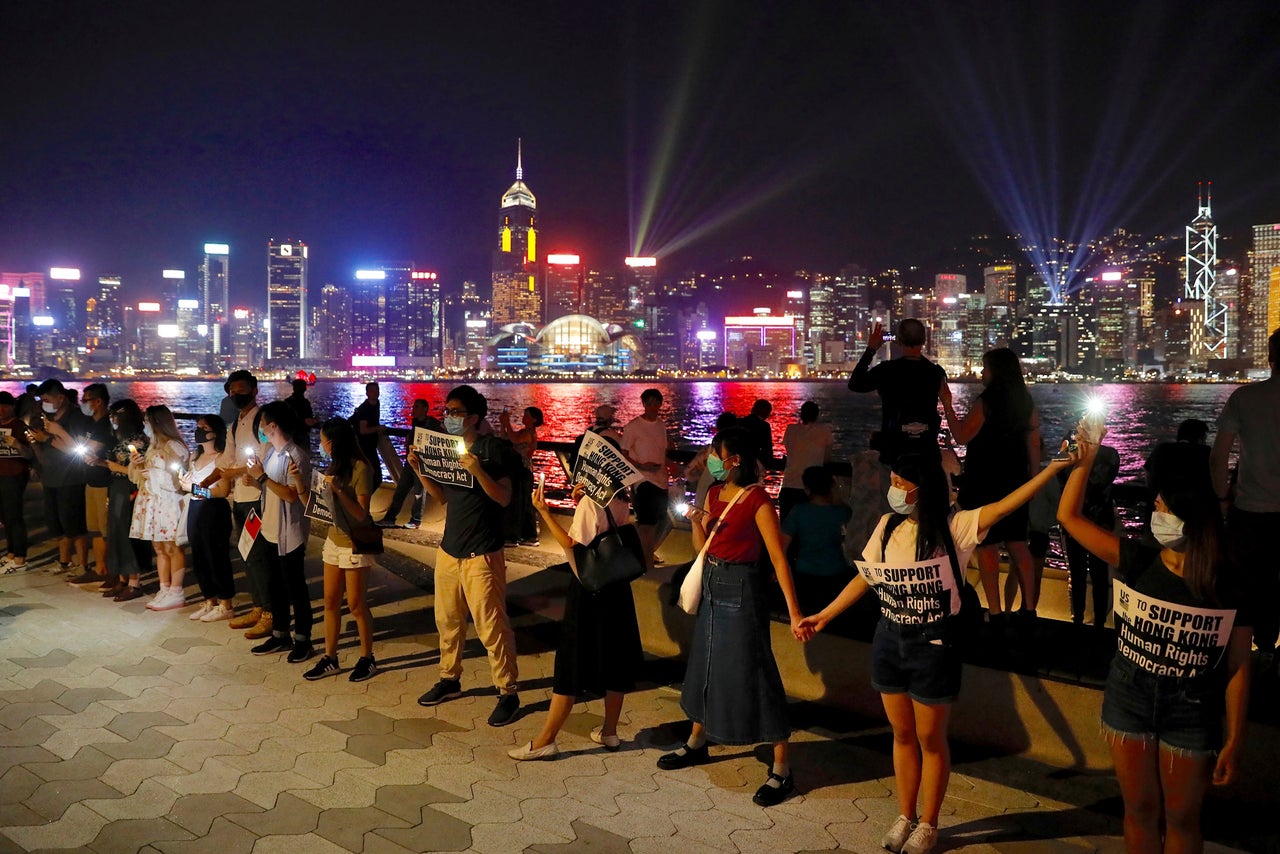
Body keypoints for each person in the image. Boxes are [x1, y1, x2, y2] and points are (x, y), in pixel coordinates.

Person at [799, 452, 1070, 854]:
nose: (893, 489)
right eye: (892, 480)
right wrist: (824, 615)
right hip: (890, 637)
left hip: (933, 644)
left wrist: (1051, 469)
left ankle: (929, 822)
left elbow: (1006, 506)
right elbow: (865, 577)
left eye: (900, 483)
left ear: (922, 490)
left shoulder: (956, 527)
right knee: (902, 733)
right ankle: (905, 814)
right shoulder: (888, 525)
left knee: (930, 737)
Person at [1061, 425, 1252, 854]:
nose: (1155, 515)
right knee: (1140, 811)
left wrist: (1235, 739)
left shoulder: (1227, 580)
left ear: (1189, 515)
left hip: (1193, 708)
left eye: (1163, 507)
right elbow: (1068, 518)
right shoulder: (1137, 558)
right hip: (1129, 696)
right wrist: (1086, 457)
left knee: (1183, 818)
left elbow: (1239, 666)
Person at [656, 428, 808, 808]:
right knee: (705, 665)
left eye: (715, 453)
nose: (710, 458)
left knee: (754, 670)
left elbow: (777, 558)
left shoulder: (757, 501)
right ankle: (697, 741)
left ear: (734, 459)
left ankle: (782, 768)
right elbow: (701, 546)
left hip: (742, 589)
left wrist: (793, 611)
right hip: (711, 581)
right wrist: (694, 519)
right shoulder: (713, 493)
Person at [409, 385, 522, 726]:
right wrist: (420, 470)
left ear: (473, 417)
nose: (448, 417)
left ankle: (508, 691)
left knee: (491, 626)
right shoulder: (447, 450)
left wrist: (478, 470)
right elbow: (442, 497)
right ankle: (449, 679)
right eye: (447, 411)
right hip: (449, 549)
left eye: (456, 412)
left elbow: (503, 497)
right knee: (447, 620)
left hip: (482, 552)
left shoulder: (492, 450)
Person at [508, 480, 644, 760]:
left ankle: (546, 739)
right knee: (614, 658)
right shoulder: (621, 499)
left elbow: (572, 543)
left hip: (588, 590)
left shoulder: (590, 504)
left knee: (570, 662)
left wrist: (544, 512)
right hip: (616, 589)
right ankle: (609, 731)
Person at [942, 348, 1041, 620]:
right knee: (1018, 543)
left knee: (987, 546)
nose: (982, 373)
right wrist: (1033, 478)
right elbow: (1033, 442)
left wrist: (947, 405)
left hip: (984, 479)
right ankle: (1030, 609)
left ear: (996, 370)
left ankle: (995, 612)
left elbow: (962, 436)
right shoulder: (1026, 401)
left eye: (985, 368)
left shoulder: (987, 401)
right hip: (1016, 480)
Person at [1211, 328, 1280, 669]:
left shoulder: (1245, 398)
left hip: (1251, 510)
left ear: (1271, 359)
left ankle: (1259, 649)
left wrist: (1222, 495)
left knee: (1251, 584)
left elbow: (1219, 455)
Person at [296, 418, 379, 682]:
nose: (321, 445)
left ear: (334, 442)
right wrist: (300, 483)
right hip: (333, 541)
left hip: (354, 544)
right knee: (330, 601)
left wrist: (340, 491)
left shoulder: (360, 468)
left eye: (322, 441)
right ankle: (330, 657)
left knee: (356, 604)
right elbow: (319, 508)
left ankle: (368, 657)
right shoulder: (334, 466)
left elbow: (362, 514)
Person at [243, 402, 313, 662]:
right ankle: (281, 634)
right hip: (269, 529)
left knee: (295, 588)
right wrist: (255, 480)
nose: (260, 429)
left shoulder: (296, 456)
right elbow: (271, 490)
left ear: (272, 426)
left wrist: (261, 478)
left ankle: (304, 640)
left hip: (290, 534)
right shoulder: (272, 453)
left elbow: (292, 496)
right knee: (275, 587)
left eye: (262, 425)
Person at [848, 319, 947, 468]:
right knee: (927, 491)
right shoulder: (936, 373)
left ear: (899, 341)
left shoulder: (887, 370)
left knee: (897, 491)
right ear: (924, 340)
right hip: (928, 456)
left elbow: (855, 384)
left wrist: (871, 349)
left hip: (895, 456)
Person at [223, 370, 273, 638]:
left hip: (257, 498)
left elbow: (265, 454)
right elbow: (227, 459)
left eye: (241, 389)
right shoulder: (235, 424)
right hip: (240, 500)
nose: (235, 394)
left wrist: (235, 471)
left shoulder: (261, 421)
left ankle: (270, 612)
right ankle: (257, 605)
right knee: (247, 554)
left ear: (255, 390)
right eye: (232, 390)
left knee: (259, 556)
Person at [129, 405, 190, 611]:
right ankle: (164, 588)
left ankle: (176, 590)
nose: (144, 425)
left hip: (169, 501)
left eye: (147, 421)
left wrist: (153, 474)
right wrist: (136, 465)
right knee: (159, 548)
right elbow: (142, 476)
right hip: (154, 501)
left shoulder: (175, 446)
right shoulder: (153, 447)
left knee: (173, 547)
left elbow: (178, 479)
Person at [29, 379, 91, 574]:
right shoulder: (48, 419)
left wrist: (49, 437)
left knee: (75, 523)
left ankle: (83, 564)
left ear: (61, 397)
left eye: (46, 399)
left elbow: (77, 450)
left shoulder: (76, 417)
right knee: (56, 524)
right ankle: (64, 561)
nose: (43, 403)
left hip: (71, 478)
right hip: (51, 477)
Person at [180, 416, 237, 622]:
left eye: (204, 427)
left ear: (215, 432)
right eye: (198, 427)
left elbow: (222, 491)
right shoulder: (195, 456)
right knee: (199, 557)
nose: (199, 431)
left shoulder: (221, 458)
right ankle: (209, 600)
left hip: (214, 510)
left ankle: (225, 604)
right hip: (195, 507)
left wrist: (194, 489)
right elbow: (188, 484)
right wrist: (184, 483)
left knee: (216, 556)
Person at [780, 466, 853, 619]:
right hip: (836, 571)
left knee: (808, 616)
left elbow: (783, 545)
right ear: (831, 487)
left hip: (805, 572)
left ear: (807, 489)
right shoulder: (843, 512)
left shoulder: (799, 511)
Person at [1059, 439, 1119, 626]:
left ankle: (1077, 618)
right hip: (1100, 522)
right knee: (1099, 574)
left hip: (1075, 521)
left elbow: (1060, 475)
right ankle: (1099, 620)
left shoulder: (1072, 451)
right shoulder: (1110, 454)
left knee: (1077, 574)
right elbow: (1108, 477)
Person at [96, 400, 149, 601]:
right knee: (116, 533)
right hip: (117, 486)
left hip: (130, 488)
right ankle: (122, 578)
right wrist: (101, 463)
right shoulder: (120, 438)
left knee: (128, 534)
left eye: (116, 415)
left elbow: (138, 471)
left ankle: (134, 582)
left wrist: (112, 466)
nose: (113, 419)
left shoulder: (138, 441)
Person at [70, 383, 114, 589]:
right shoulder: (89, 424)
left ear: (98, 402)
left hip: (105, 482)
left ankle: (111, 570)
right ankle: (100, 569)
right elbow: (82, 448)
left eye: (86, 400)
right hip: (91, 481)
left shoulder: (106, 425)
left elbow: (88, 448)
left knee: (106, 529)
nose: (83, 404)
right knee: (94, 530)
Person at [622, 388, 672, 569]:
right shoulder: (633, 426)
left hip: (661, 480)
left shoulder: (661, 425)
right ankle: (646, 564)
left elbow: (661, 452)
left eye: (655, 403)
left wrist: (672, 466)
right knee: (646, 525)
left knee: (660, 521)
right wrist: (642, 466)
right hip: (643, 481)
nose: (652, 407)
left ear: (660, 404)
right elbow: (623, 453)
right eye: (648, 403)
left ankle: (641, 555)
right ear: (643, 404)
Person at [377, 398, 440, 528]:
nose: (413, 410)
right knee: (401, 490)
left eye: (417, 407)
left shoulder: (431, 424)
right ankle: (390, 518)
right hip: (410, 461)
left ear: (425, 409)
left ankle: (416, 520)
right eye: (413, 407)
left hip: (421, 463)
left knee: (418, 492)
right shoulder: (416, 422)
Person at [779, 401, 834, 521]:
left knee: (786, 528)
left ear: (801, 414)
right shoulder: (825, 431)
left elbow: (788, 449)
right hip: (812, 488)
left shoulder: (790, 429)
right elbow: (827, 459)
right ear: (817, 415)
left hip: (789, 485)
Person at [0, 391, 35, 574]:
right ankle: (11, 553)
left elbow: (30, 453)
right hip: (1, 474)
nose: (1, 410)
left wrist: (17, 445)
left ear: (12, 407)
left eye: (5, 406)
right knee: (5, 516)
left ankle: (20, 557)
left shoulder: (19, 426)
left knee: (14, 515)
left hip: (15, 474)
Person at [500, 404, 544, 546]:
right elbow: (505, 437)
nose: (524, 418)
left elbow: (514, 439)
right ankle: (525, 535)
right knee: (519, 502)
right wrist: (503, 424)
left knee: (521, 503)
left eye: (527, 416)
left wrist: (507, 423)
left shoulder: (529, 433)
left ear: (534, 420)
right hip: (518, 470)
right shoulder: (524, 431)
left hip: (523, 471)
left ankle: (521, 536)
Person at [1145, 419, 1211, 502]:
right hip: (1193, 508)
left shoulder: (1161, 449)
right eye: (1204, 439)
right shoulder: (1205, 452)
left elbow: (1149, 476)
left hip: (1160, 508)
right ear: (1200, 438)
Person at [351, 381, 382, 469]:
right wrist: (378, 428)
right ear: (367, 393)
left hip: (370, 445)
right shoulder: (364, 409)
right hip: (364, 445)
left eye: (377, 390)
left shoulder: (376, 404)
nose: (376, 393)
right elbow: (363, 430)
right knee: (375, 474)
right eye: (373, 391)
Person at [740, 398, 777, 468]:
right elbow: (767, 449)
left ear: (753, 409)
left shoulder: (740, 422)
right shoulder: (764, 426)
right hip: (752, 463)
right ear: (766, 413)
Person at [284, 378, 319, 450]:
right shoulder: (305, 403)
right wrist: (315, 421)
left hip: (289, 437)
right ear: (304, 389)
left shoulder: (286, 402)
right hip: (302, 436)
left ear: (293, 388)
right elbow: (308, 421)